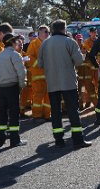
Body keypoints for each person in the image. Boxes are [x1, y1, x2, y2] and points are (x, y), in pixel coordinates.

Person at [37, 20, 91, 149]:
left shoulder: (45, 44)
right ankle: (78, 140)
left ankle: (59, 140)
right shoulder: (70, 42)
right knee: (73, 111)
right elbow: (78, 62)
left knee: (55, 112)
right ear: (64, 29)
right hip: (68, 83)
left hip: (52, 83)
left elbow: (40, 64)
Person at [0, 34, 27, 147]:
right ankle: (14, 140)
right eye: (16, 41)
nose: (18, 43)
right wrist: (21, 85)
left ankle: (0, 139)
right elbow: (21, 73)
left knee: (2, 114)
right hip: (11, 88)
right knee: (14, 114)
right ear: (13, 42)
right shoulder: (15, 55)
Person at [27, 25, 52, 121]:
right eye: (45, 32)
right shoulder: (33, 43)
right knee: (38, 95)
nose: (47, 34)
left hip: (49, 75)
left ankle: (47, 114)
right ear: (40, 32)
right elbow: (29, 57)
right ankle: (37, 115)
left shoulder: (50, 43)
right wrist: (40, 62)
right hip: (37, 75)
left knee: (48, 96)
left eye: (48, 32)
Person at [81, 27, 99, 108]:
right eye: (92, 32)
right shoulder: (86, 42)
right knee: (89, 85)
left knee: (98, 84)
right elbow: (89, 52)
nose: (93, 33)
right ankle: (88, 101)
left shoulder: (99, 40)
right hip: (90, 67)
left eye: (94, 32)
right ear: (90, 33)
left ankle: (99, 101)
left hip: (98, 66)